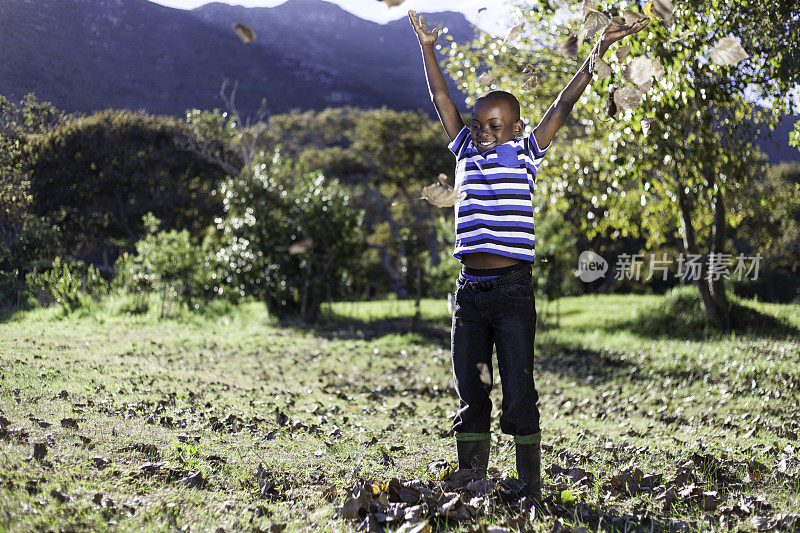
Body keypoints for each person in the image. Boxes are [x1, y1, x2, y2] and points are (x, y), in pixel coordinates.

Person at [408, 9, 648, 500]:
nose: (484, 130)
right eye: (479, 123)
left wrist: (597, 51)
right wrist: (428, 49)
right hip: (469, 296)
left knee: (519, 392)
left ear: (516, 128)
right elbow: (440, 97)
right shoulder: (463, 151)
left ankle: (529, 486)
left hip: (514, 292)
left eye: (495, 124)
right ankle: (472, 479)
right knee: (470, 392)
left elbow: (563, 103)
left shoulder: (525, 153)